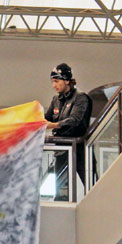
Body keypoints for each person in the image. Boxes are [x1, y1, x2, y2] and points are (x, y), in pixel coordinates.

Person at [44, 63, 92, 200]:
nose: (53, 85)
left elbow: (75, 120)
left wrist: (55, 125)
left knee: (91, 184)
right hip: (61, 149)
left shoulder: (81, 98)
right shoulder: (56, 99)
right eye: (52, 81)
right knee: (60, 191)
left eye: (56, 81)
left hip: (80, 149)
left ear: (66, 80)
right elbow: (46, 119)